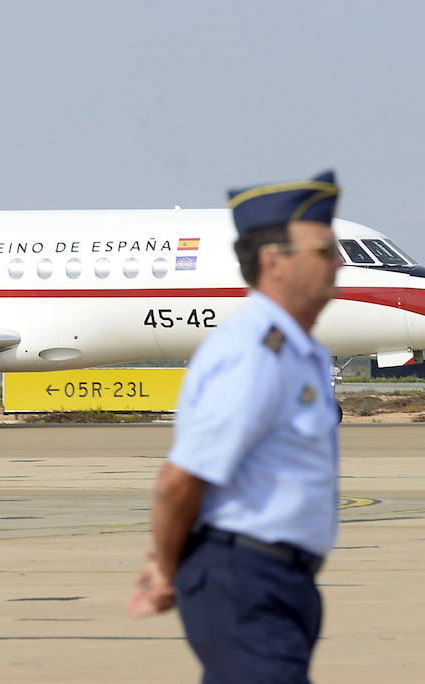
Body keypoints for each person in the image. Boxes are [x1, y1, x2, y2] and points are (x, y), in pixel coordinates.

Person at [128, 171, 344, 682]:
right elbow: (179, 482)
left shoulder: (301, 351)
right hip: (244, 581)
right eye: (324, 252)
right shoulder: (253, 354)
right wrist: (166, 566)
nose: (338, 264)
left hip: (282, 582)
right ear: (274, 262)